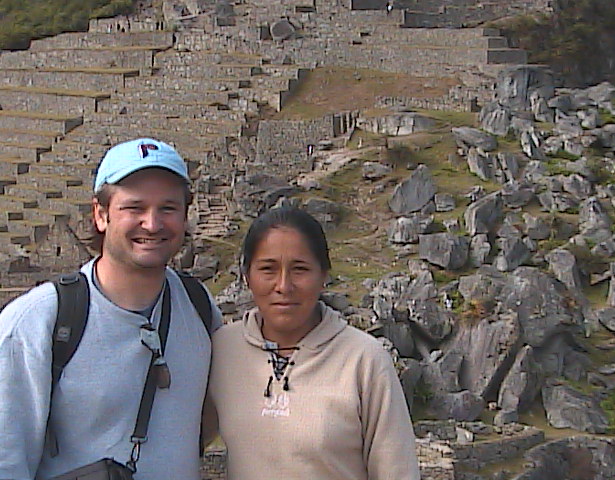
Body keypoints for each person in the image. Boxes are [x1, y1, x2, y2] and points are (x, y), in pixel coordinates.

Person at [0, 138, 222, 480]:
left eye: (168, 208)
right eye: (134, 208)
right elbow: (7, 458)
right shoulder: (40, 321)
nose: (152, 223)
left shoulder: (200, 307)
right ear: (100, 215)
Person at [210, 206, 420, 479]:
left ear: (323, 275)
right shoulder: (222, 349)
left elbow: (397, 470)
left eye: (299, 269)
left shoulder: (364, 359)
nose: (284, 286)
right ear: (247, 276)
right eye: (268, 269)